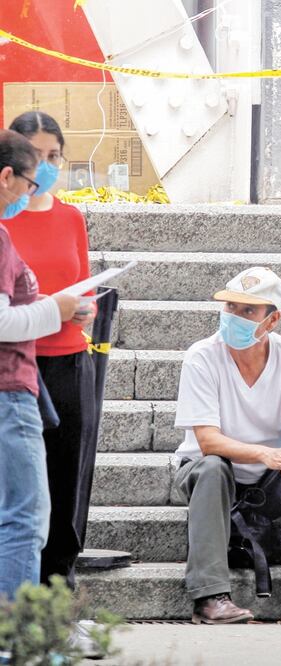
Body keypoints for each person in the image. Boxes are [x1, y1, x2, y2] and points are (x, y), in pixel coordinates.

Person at [172, 267, 281, 625]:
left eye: (248, 310)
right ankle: (210, 597)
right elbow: (207, 441)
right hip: (208, 474)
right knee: (213, 467)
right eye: (230, 306)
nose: (234, 316)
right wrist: (265, 453)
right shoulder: (202, 355)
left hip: (269, 478)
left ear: (272, 320)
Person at [5, 112, 97, 589]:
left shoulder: (70, 217)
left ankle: (59, 584)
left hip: (68, 358)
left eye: (54, 156)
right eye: (35, 157)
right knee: (23, 497)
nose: (43, 167)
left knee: (64, 479)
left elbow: (80, 284)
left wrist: (83, 309)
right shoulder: (6, 219)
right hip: (18, 364)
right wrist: (51, 308)